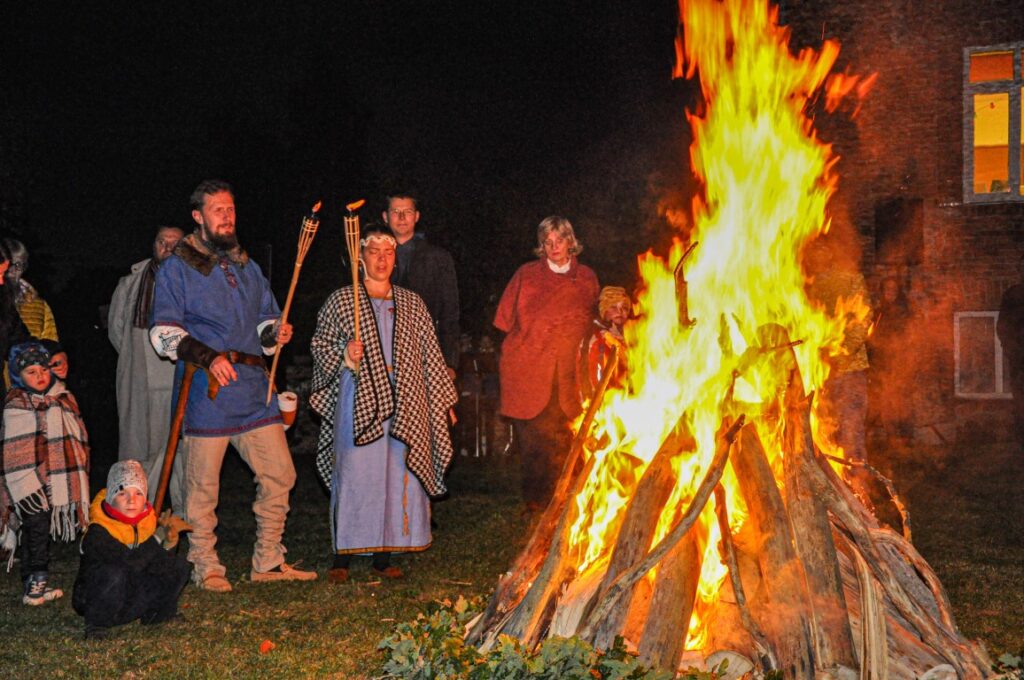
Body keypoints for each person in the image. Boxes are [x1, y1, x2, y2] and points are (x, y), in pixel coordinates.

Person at [149, 179, 315, 592]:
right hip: (208, 391)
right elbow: (163, 332)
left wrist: (276, 333)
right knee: (202, 489)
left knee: (280, 474)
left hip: (254, 390)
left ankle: (268, 559)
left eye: (230, 209)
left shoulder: (247, 266)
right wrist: (209, 357)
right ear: (198, 216)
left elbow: (262, 325)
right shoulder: (177, 267)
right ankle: (204, 562)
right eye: (217, 210)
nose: (226, 217)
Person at [310, 223, 457, 583]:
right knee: (356, 472)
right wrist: (345, 353)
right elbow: (320, 346)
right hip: (356, 399)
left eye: (388, 252)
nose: (381, 259)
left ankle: (383, 554)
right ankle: (342, 556)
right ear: (360, 258)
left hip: (406, 400)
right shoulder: (343, 300)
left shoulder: (412, 303)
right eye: (374, 252)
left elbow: (430, 358)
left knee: (397, 473)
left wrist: (443, 402)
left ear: (395, 259)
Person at [494, 216, 599, 510]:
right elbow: (503, 322)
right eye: (547, 242)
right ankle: (537, 504)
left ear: (571, 242)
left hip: (569, 375)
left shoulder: (587, 278)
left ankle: (569, 501)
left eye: (560, 240)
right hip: (530, 371)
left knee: (568, 437)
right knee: (535, 442)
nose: (554, 247)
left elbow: (593, 321)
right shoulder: (526, 275)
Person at [0, 342, 90, 605]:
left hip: (53, 480)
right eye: (31, 372)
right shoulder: (16, 405)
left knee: (35, 530)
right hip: (25, 481)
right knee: (37, 529)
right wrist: (27, 479)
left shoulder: (62, 399)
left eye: (43, 369)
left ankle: (31, 581)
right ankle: (36, 585)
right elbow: (15, 450)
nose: (40, 376)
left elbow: (76, 439)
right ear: (18, 376)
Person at [108, 226, 185, 509]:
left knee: (178, 453)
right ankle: (136, 515)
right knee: (139, 451)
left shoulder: (193, 283)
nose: (167, 247)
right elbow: (117, 331)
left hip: (177, 379)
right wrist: (135, 359)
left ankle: (180, 517)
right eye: (162, 242)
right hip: (139, 380)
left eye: (175, 243)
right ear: (154, 245)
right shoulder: (131, 282)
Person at [73, 460, 191, 639]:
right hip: (99, 600)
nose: (131, 501)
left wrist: (168, 544)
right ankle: (96, 625)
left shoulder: (146, 523)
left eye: (138, 493)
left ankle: (157, 615)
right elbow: (128, 564)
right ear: (110, 498)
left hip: (129, 598)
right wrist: (156, 539)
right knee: (114, 573)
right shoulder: (98, 531)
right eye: (122, 493)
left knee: (178, 566)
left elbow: (152, 563)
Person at [805, 238, 873, 496]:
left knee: (851, 437)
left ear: (831, 252)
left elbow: (863, 318)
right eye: (814, 251)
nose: (818, 255)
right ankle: (825, 497)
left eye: (823, 249)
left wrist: (840, 356)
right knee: (819, 437)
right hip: (815, 377)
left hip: (848, 372)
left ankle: (859, 498)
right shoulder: (803, 287)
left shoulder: (849, 280)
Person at [383, 192, 460, 378]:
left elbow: (450, 312)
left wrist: (449, 361)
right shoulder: (372, 257)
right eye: (395, 211)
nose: (402, 218)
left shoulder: (438, 258)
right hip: (383, 354)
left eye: (407, 211)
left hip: (425, 353)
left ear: (416, 216)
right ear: (385, 217)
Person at [867, 277, 914, 444]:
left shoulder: (906, 312)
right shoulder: (879, 313)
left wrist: (905, 358)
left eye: (894, 289)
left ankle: (906, 437)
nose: (890, 292)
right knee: (887, 401)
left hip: (901, 362)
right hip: (883, 364)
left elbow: (911, 337)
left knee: (903, 400)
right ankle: (892, 438)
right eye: (887, 289)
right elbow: (872, 339)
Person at [577, 285, 631, 402]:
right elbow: (585, 378)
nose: (620, 311)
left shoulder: (637, 339)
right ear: (604, 310)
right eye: (613, 307)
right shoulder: (593, 340)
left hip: (632, 402)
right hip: (605, 406)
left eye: (625, 307)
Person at [2, 238, 58, 342]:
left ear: (24, 268)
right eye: (8, 263)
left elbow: (50, 344)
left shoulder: (40, 306)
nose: (11, 270)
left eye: (17, 265)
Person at [998, 254, 1024, 447]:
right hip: (1019, 356)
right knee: (1021, 396)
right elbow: (1003, 326)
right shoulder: (1013, 295)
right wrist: (1011, 348)